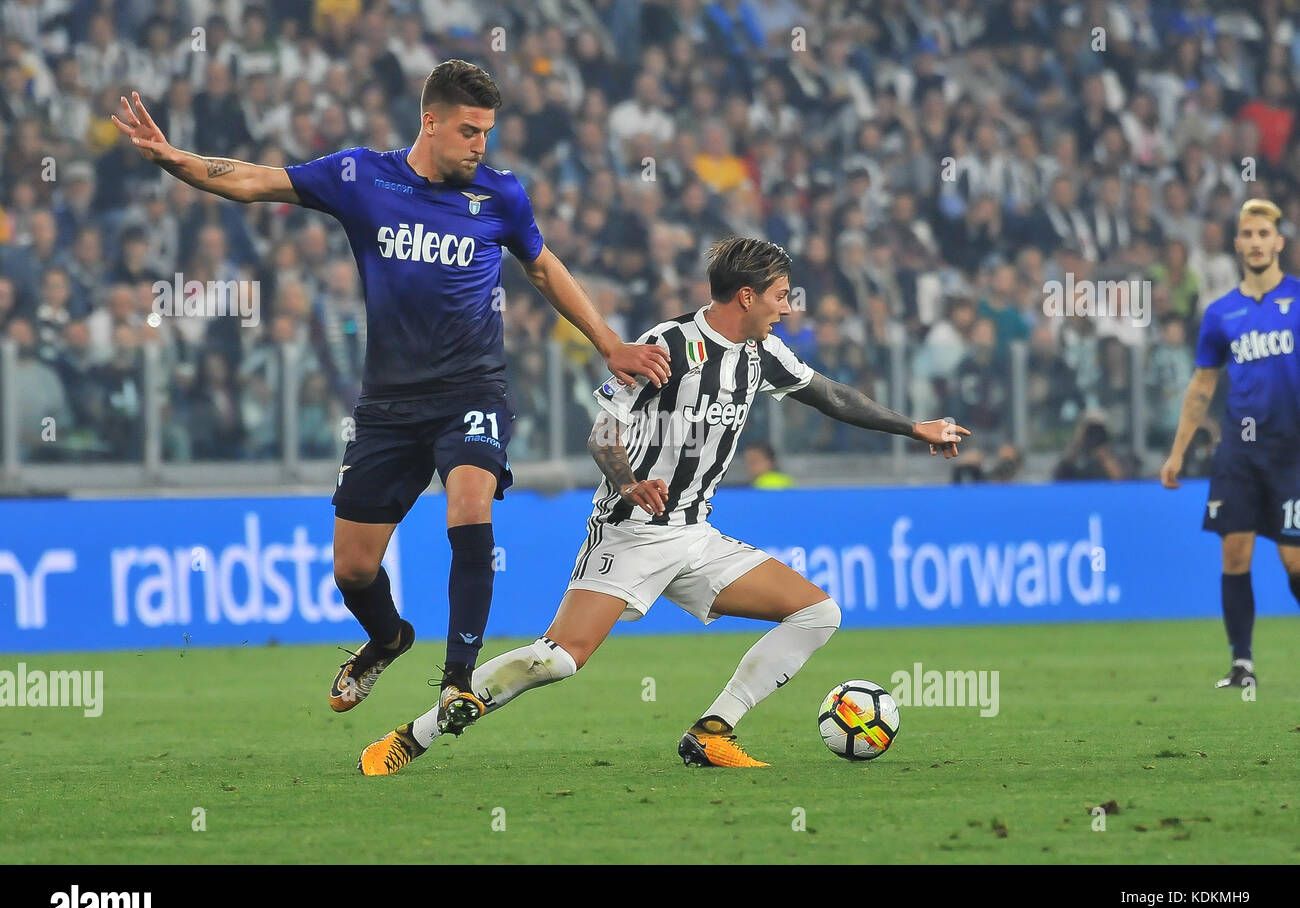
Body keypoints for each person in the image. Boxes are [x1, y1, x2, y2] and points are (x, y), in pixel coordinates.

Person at [112, 60, 671, 732]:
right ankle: (387, 638)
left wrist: (608, 342)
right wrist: (174, 157)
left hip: (473, 389)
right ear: (429, 121)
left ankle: (459, 679)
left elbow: (543, 265)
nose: (479, 145)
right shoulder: (361, 178)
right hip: (387, 406)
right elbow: (256, 181)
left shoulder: (500, 196)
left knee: (468, 510)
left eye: (487, 132)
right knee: (352, 568)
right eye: (468, 130)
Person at [358, 237, 969, 775]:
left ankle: (712, 732)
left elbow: (830, 396)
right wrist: (627, 482)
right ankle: (415, 735)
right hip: (630, 533)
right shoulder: (667, 344)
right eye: (782, 295)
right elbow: (601, 434)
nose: (789, 306)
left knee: (817, 613)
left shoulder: (762, 355)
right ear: (748, 297)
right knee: (559, 660)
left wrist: (916, 429)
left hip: (694, 536)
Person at [1160, 198, 1300, 689]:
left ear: (1279, 242)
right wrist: (1177, 452)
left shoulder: (1299, 300)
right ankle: (1242, 665)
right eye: (1249, 235)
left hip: (1291, 453)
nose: (1257, 243)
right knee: (1235, 554)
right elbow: (1202, 386)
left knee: (1294, 560)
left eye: (1266, 234)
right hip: (1239, 454)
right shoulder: (1221, 313)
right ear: (1238, 244)